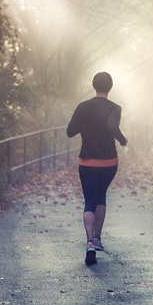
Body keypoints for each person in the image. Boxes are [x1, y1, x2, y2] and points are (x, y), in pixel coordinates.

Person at [66, 71, 128, 264]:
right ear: (110, 87)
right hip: (109, 162)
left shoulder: (83, 107)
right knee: (101, 197)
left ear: (94, 85)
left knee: (89, 201)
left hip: (88, 162)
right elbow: (112, 127)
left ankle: (89, 242)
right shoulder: (114, 108)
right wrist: (123, 140)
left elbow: (70, 132)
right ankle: (98, 239)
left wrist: (85, 125)